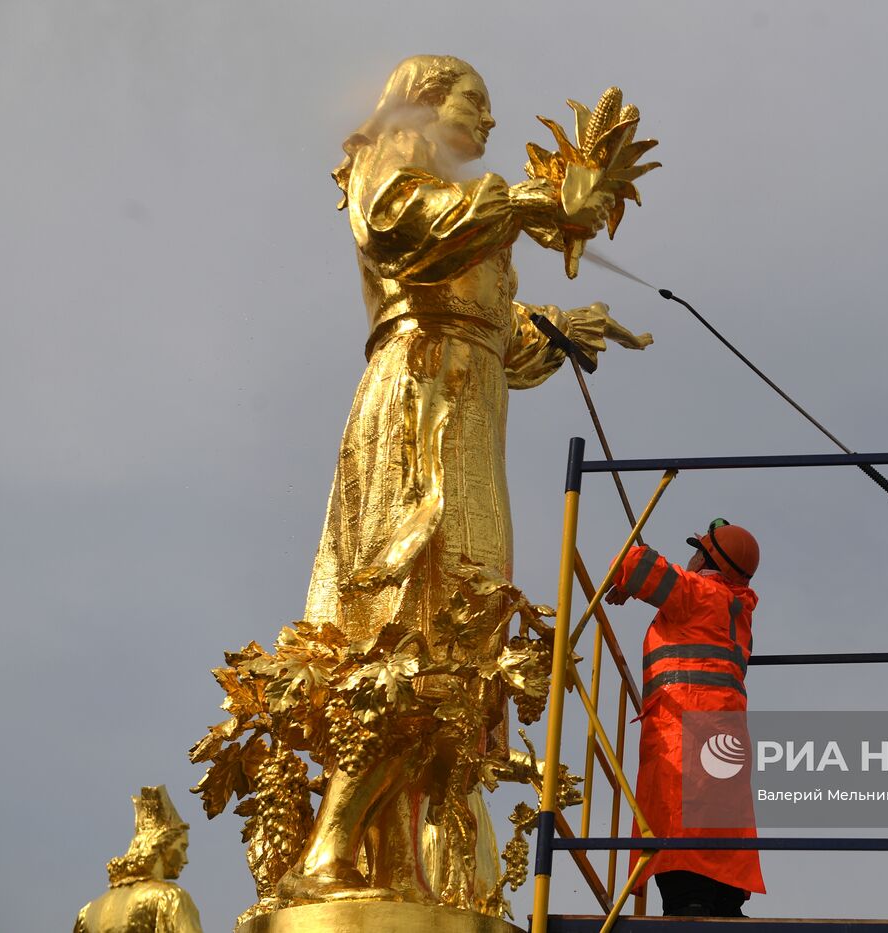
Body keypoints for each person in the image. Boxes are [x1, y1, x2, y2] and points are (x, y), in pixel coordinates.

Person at [281, 55, 652, 905]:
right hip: (421, 397)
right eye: (475, 103)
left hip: (468, 397)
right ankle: (329, 848)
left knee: (463, 620)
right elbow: (395, 225)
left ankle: (401, 862)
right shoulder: (395, 149)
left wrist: (562, 329)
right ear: (423, 99)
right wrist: (527, 199)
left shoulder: (475, 212)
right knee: (414, 616)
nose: (488, 124)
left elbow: (491, 327)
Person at [604, 520, 765, 916]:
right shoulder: (737, 611)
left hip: (682, 725)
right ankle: (725, 905)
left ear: (709, 560)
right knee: (720, 822)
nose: (690, 558)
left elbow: (637, 563)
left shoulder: (697, 592)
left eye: (697, 551)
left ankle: (689, 903)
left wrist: (627, 583)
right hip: (724, 730)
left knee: (677, 822)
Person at [74, 786, 203, 933]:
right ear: (163, 845)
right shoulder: (168, 897)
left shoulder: (88, 912)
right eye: (182, 847)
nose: (185, 859)